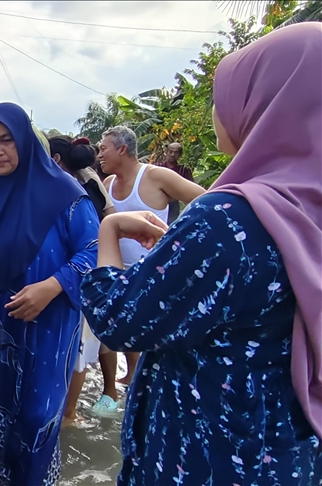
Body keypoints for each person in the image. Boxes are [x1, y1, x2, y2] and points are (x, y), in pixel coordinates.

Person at [80, 22, 321, 485]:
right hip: (285, 451)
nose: (217, 110)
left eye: (229, 94)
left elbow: (118, 321)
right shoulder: (306, 209)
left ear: (266, 104)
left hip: (204, 452)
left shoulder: (230, 220)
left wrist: (109, 230)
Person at [0, 103, 99, 486]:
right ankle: (2, 475)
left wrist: (53, 285)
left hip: (49, 323)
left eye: (6, 140)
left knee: (39, 414)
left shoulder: (64, 193)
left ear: (25, 141)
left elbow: (95, 251)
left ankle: (36, 480)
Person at [95, 125, 205, 414]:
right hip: (118, 271)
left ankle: (146, 390)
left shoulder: (156, 176)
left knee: (151, 341)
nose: (99, 154)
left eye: (103, 148)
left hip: (154, 273)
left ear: (121, 149)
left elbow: (205, 200)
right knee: (113, 333)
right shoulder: (106, 186)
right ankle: (118, 388)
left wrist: (177, 240)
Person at [48, 135, 118, 425]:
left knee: (80, 348)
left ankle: (69, 413)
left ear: (54, 160)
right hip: (95, 273)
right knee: (88, 345)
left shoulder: (71, 191)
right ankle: (75, 409)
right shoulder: (89, 180)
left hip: (81, 273)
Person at [155, 142, 194, 223]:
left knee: (171, 226)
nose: (172, 154)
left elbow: (191, 188)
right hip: (156, 203)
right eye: (170, 151)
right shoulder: (157, 167)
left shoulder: (184, 170)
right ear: (166, 152)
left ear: (180, 155)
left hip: (173, 204)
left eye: (176, 152)